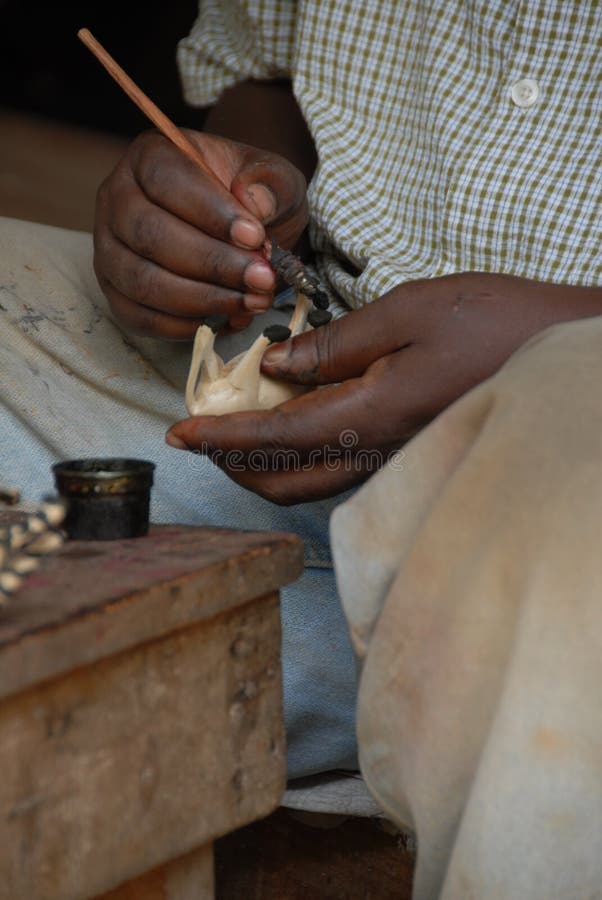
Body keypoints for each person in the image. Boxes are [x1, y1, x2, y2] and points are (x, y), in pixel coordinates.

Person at [2, 1, 602, 896]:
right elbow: (265, 73)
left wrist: (560, 333)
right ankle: (395, 695)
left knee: (562, 534)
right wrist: (227, 197)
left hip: (572, 441)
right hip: (312, 340)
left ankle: (493, 720)